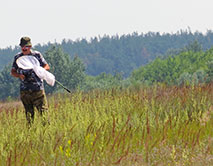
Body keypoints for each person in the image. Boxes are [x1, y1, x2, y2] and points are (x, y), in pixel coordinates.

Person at [11, 37, 50, 125]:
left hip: (38, 90)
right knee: (29, 116)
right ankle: (30, 134)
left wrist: (41, 70)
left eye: (26, 46)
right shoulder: (18, 57)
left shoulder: (37, 55)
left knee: (44, 113)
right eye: (22, 47)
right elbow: (12, 72)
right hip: (25, 91)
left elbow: (47, 66)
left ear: (30, 46)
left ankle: (47, 133)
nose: (24, 48)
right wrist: (19, 75)